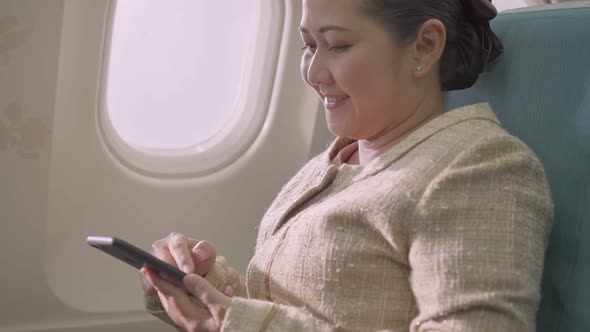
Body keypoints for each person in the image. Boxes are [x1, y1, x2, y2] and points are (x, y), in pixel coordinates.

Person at [139, 0, 554, 330]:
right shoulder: (335, 162)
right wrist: (203, 285)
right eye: (308, 45)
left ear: (425, 45)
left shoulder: (476, 168)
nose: (313, 72)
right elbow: (298, 308)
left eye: (337, 45)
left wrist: (246, 324)